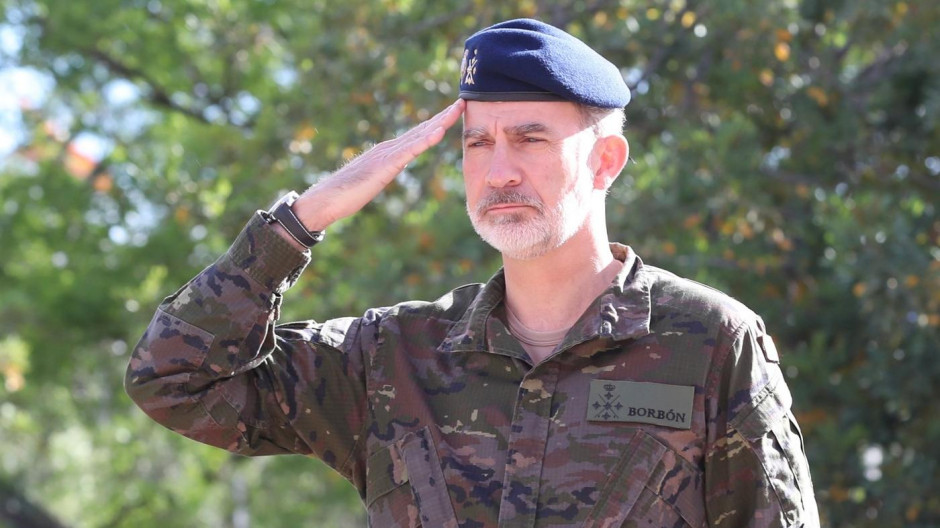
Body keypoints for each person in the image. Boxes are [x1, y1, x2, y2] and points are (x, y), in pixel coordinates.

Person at [126, 18, 819, 528]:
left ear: (605, 162)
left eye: (530, 138)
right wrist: (304, 217)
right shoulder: (392, 358)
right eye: (477, 142)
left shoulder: (709, 342)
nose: (499, 171)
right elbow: (174, 380)